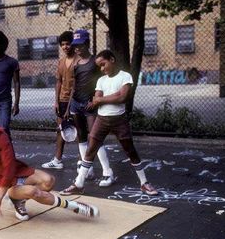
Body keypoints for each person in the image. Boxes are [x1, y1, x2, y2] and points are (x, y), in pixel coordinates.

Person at [0, 106, 99, 221]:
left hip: (17, 172)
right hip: (4, 184)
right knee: (34, 192)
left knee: (49, 181)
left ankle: (18, 200)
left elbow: (9, 166)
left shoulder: (1, 135)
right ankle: (75, 207)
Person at [60, 50, 158, 196]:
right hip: (101, 119)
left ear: (111, 59)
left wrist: (101, 99)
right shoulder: (101, 80)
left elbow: (122, 97)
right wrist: (103, 99)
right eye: (99, 66)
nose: (102, 69)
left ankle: (144, 183)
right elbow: (96, 100)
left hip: (119, 120)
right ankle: (79, 183)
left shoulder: (125, 76)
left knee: (130, 150)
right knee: (90, 150)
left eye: (103, 64)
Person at [66, 29, 114, 187]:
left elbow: (103, 82)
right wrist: (68, 107)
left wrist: (96, 99)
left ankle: (108, 172)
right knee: (81, 136)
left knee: (95, 137)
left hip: (90, 105)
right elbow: (74, 86)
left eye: (80, 45)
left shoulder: (95, 61)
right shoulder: (75, 64)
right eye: (75, 46)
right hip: (76, 104)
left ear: (87, 44)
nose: (77, 48)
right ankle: (89, 170)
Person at [41, 31, 78, 169]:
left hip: (75, 100)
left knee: (79, 131)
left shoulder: (78, 61)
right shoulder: (61, 61)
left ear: (73, 44)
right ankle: (57, 160)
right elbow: (58, 82)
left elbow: (76, 85)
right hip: (62, 100)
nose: (65, 47)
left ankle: (83, 163)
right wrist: (56, 101)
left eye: (68, 44)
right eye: (62, 44)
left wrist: (69, 107)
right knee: (60, 129)